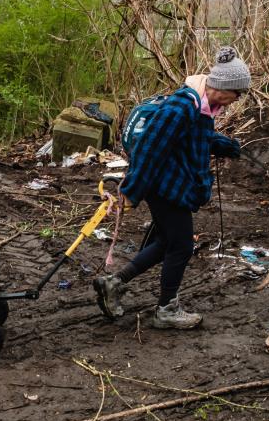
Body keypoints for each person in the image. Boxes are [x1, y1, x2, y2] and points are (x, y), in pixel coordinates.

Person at [93, 47, 250, 328]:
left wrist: (228, 147)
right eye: (237, 93)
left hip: (173, 185)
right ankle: (166, 309)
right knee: (181, 246)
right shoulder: (181, 105)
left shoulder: (200, 106)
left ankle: (114, 283)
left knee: (168, 241)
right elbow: (151, 148)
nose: (236, 100)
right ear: (224, 86)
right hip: (166, 188)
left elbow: (197, 137)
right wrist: (132, 192)